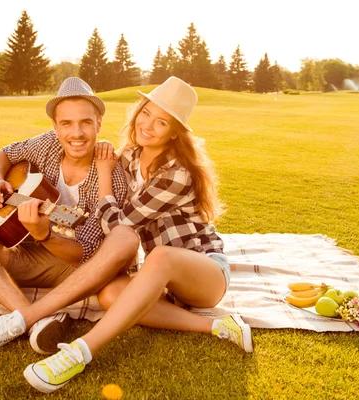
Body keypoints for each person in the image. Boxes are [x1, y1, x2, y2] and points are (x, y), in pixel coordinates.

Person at [23, 76, 253, 394]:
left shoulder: (176, 173)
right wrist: (54, 216)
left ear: (174, 132)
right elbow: (97, 215)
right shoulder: (130, 156)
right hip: (164, 281)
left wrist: (104, 175)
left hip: (205, 272)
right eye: (146, 113)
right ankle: (220, 326)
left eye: (161, 122)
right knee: (109, 295)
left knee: (159, 256)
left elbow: (121, 226)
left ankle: (81, 352)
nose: (148, 125)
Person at [0, 77, 139, 359]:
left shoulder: (113, 179)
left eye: (86, 122)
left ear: (99, 125)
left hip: (76, 271)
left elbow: (83, 257)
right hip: (27, 254)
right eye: (67, 123)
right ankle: (35, 320)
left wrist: (43, 233)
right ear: (55, 127)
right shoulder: (46, 145)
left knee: (93, 265)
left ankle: (22, 318)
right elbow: (5, 153)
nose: (77, 133)